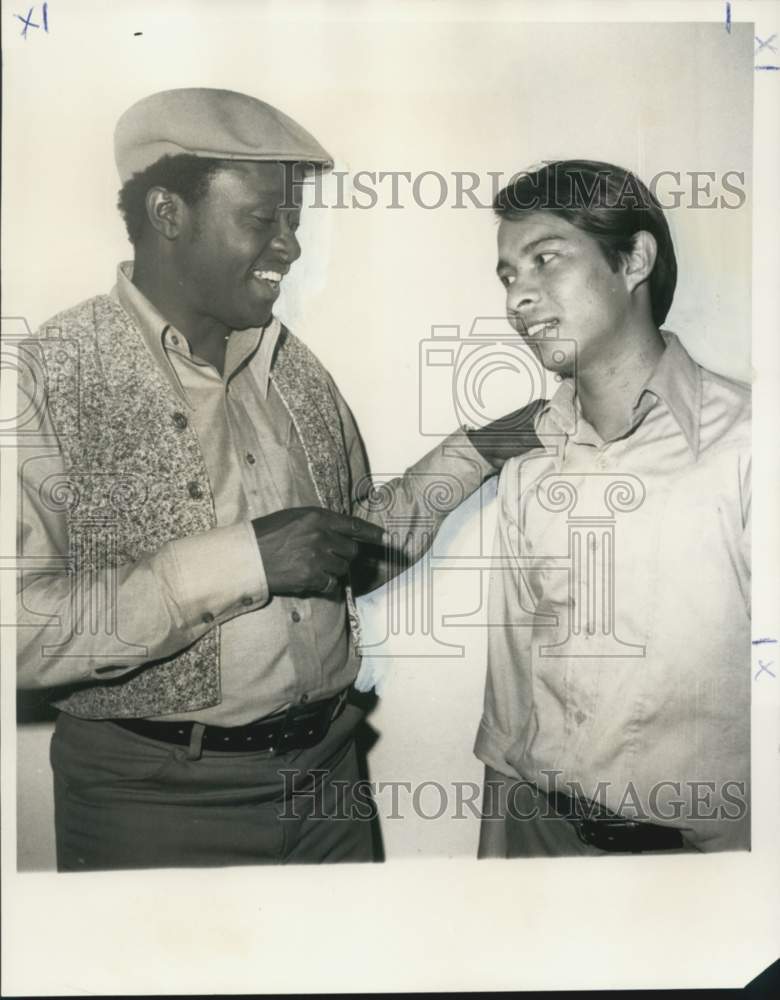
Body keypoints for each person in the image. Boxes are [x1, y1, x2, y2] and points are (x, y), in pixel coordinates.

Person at [16, 88, 540, 870]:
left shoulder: (294, 367)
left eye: (293, 221)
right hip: (150, 804)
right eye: (263, 219)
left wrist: (481, 449)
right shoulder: (45, 373)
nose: (289, 246)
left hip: (328, 780)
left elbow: (350, 553)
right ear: (168, 213)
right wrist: (245, 561)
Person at [476, 160, 750, 856]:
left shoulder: (752, 446)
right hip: (543, 844)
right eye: (509, 275)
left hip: (704, 872)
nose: (518, 298)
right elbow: (509, 713)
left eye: (545, 260)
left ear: (635, 259)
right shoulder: (530, 467)